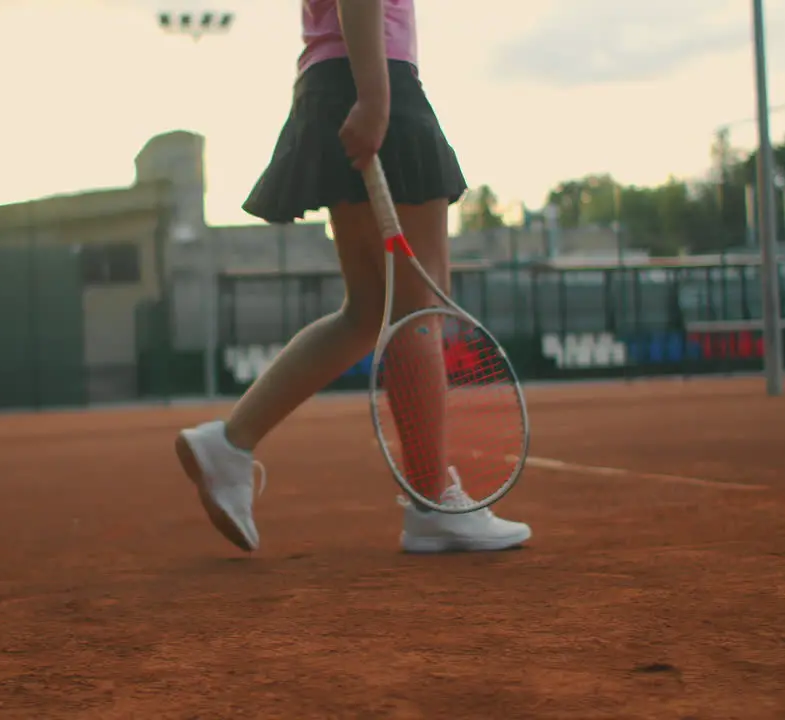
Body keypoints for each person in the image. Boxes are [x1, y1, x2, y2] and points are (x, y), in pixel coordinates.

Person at [174, 0, 531, 554]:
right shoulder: (372, 85)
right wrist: (375, 96)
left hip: (338, 79)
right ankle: (432, 499)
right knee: (417, 308)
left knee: (370, 310)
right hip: (369, 78)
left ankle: (228, 443)